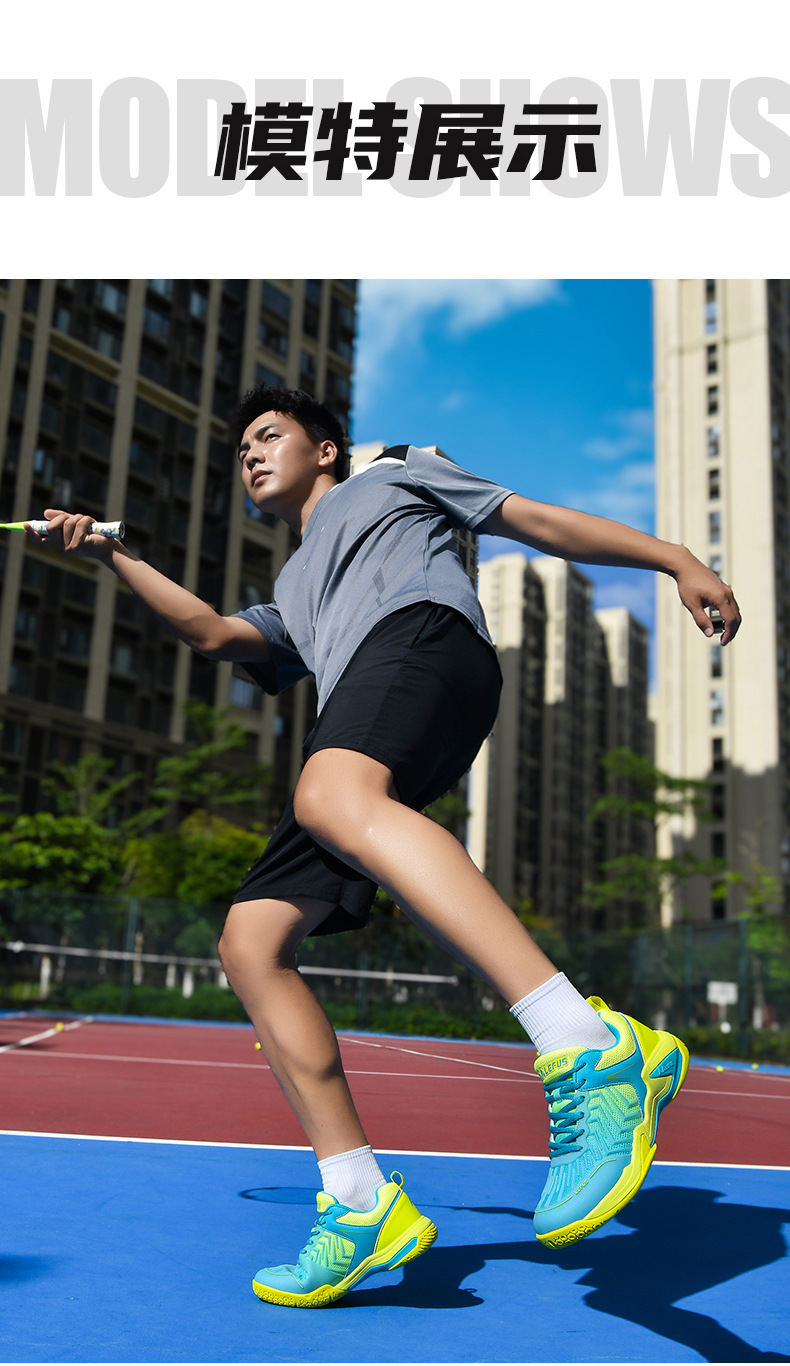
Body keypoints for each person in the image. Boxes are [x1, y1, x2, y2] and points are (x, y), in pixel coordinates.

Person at [28, 384, 740, 1309]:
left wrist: (671, 557)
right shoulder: (292, 589)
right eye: (240, 446)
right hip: (357, 721)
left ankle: (592, 1045)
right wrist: (110, 551)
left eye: (268, 435)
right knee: (251, 945)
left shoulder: (396, 473)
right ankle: (361, 1203)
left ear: (327, 450)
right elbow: (211, 633)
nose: (249, 453)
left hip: (426, 647)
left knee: (330, 790)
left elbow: (537, 522)